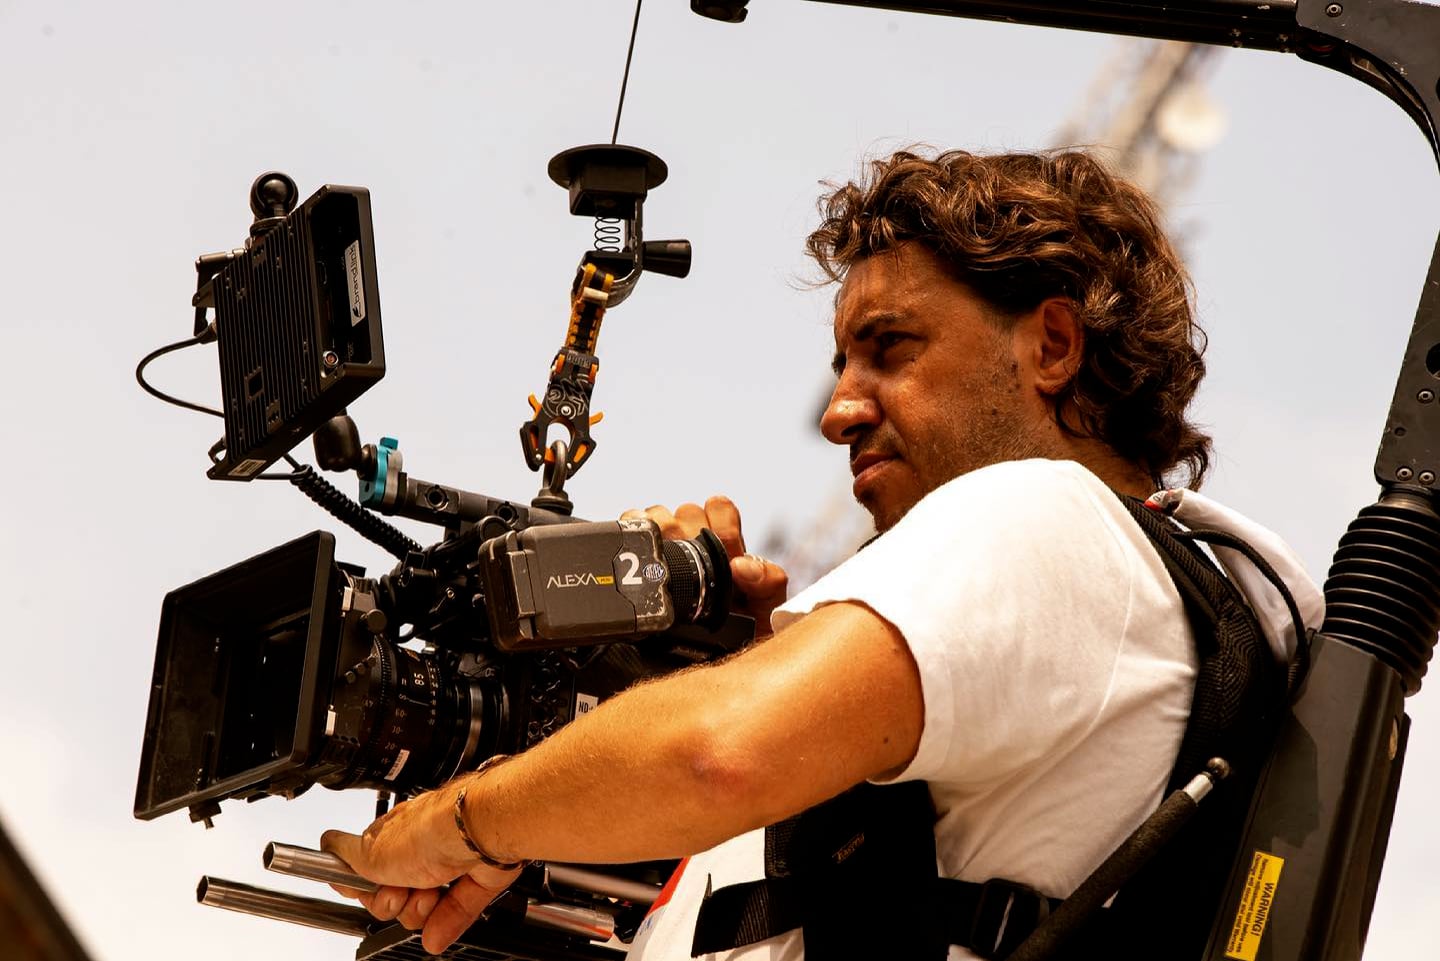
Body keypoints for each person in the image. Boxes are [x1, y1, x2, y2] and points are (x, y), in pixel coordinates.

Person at [321, 148, 1315, 959]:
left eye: (891, 348)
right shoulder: (1156, 588)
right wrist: (754, 660)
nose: (839, 409)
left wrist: (461, 821)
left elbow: (713, 755)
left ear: (1051, 345)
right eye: (843, 362)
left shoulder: (1046, 511)